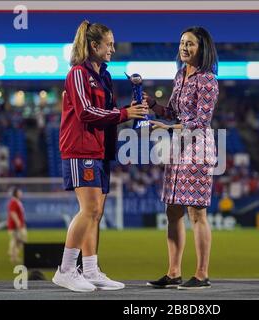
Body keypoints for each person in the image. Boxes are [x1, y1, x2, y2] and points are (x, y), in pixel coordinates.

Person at [52, 20, 148, 292]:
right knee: (89, 209)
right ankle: (66, 269)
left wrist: (127, 110)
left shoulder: (103, 75)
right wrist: (124, 114)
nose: (113, 50)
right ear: (94, 45)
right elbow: (85, 112)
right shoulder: (78, 74)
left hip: (99, 149)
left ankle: (91, 269)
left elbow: (106, 111)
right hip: (80, 148)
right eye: (109, 44)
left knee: (97, 213)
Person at [145, 26, 219, 290]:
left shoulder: (208, 79)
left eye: (190, 44)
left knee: (196, 212)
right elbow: (174, 112)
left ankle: (201, 274)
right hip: (179, 150)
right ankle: (173, 272)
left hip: (197, 150)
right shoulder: (180, 75)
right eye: (182, 43)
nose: (184, 48)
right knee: (173, 210)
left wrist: (167, 129)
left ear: (202, 49)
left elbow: (200, 122)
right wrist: (153, 106)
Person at [7, 187, 27, 264]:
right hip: (14, 226)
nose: (21, 194)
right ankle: (12, 254)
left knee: (18, 240)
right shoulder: (13, 202)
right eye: (20, 192)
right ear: (16, 193)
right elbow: (13, 213)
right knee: (17, 240)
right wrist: (18, 222)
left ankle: (13, 253)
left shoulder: (17, 202)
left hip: (19, 224)